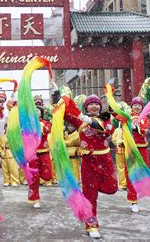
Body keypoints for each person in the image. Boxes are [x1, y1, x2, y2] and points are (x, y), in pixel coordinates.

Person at [65, 94, 116, 238]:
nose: (94, 106)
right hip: (88, 162)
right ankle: (91, 225)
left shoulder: (106, 119)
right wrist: (61, 98)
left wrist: (87, 119)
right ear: (86, 107)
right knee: (89, 196)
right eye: (90, 104)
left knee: (112, 188)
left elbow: (106, 129)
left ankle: (95, 186)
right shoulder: (79, 121)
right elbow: (66, 114)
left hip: (105, 160)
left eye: (97, 104)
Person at [125, 97, 150, 212]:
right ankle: (133, 200)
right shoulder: (126, 117)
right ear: (132, 106)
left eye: (139, 105)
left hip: (142, 148)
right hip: (131, 149)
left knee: (143, 172)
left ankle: (142, 191)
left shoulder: (145, 117)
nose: (137, 107)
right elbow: (122, 130)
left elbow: (146, 130)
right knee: (131, 174)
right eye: (135, 105)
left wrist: (138, 128)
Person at [28, 105, 53, 208]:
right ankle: (35, 199)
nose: (35, 112)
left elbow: (47, 130)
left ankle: (41, 176)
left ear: (41, 112)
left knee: (48, 176)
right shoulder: (28, 124)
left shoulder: (46, 123)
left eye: (37, 110)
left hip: (44, 152)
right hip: (32, 154)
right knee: (34, 178)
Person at [112, 126, 127, 190]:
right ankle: (123, 184)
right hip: (119, 150)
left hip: (128, 151)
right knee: (121, 168)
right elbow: (113, 139)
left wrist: (124, 142)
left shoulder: (128, 128)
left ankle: (129, 183)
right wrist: (118, 142)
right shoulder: (117, 130)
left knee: (129, 168)